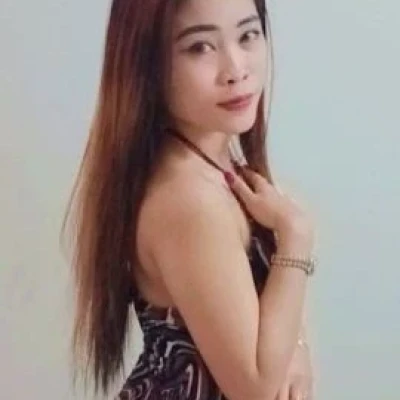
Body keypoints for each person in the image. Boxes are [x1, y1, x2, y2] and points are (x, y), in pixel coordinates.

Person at [61, 0, 317, 399]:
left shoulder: (213, 164)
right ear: (147, 64)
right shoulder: (189, 201)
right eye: (200, 47)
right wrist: (296, 237)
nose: (236, 69)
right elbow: (256, 389)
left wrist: (295, 344)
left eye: (248, 35)